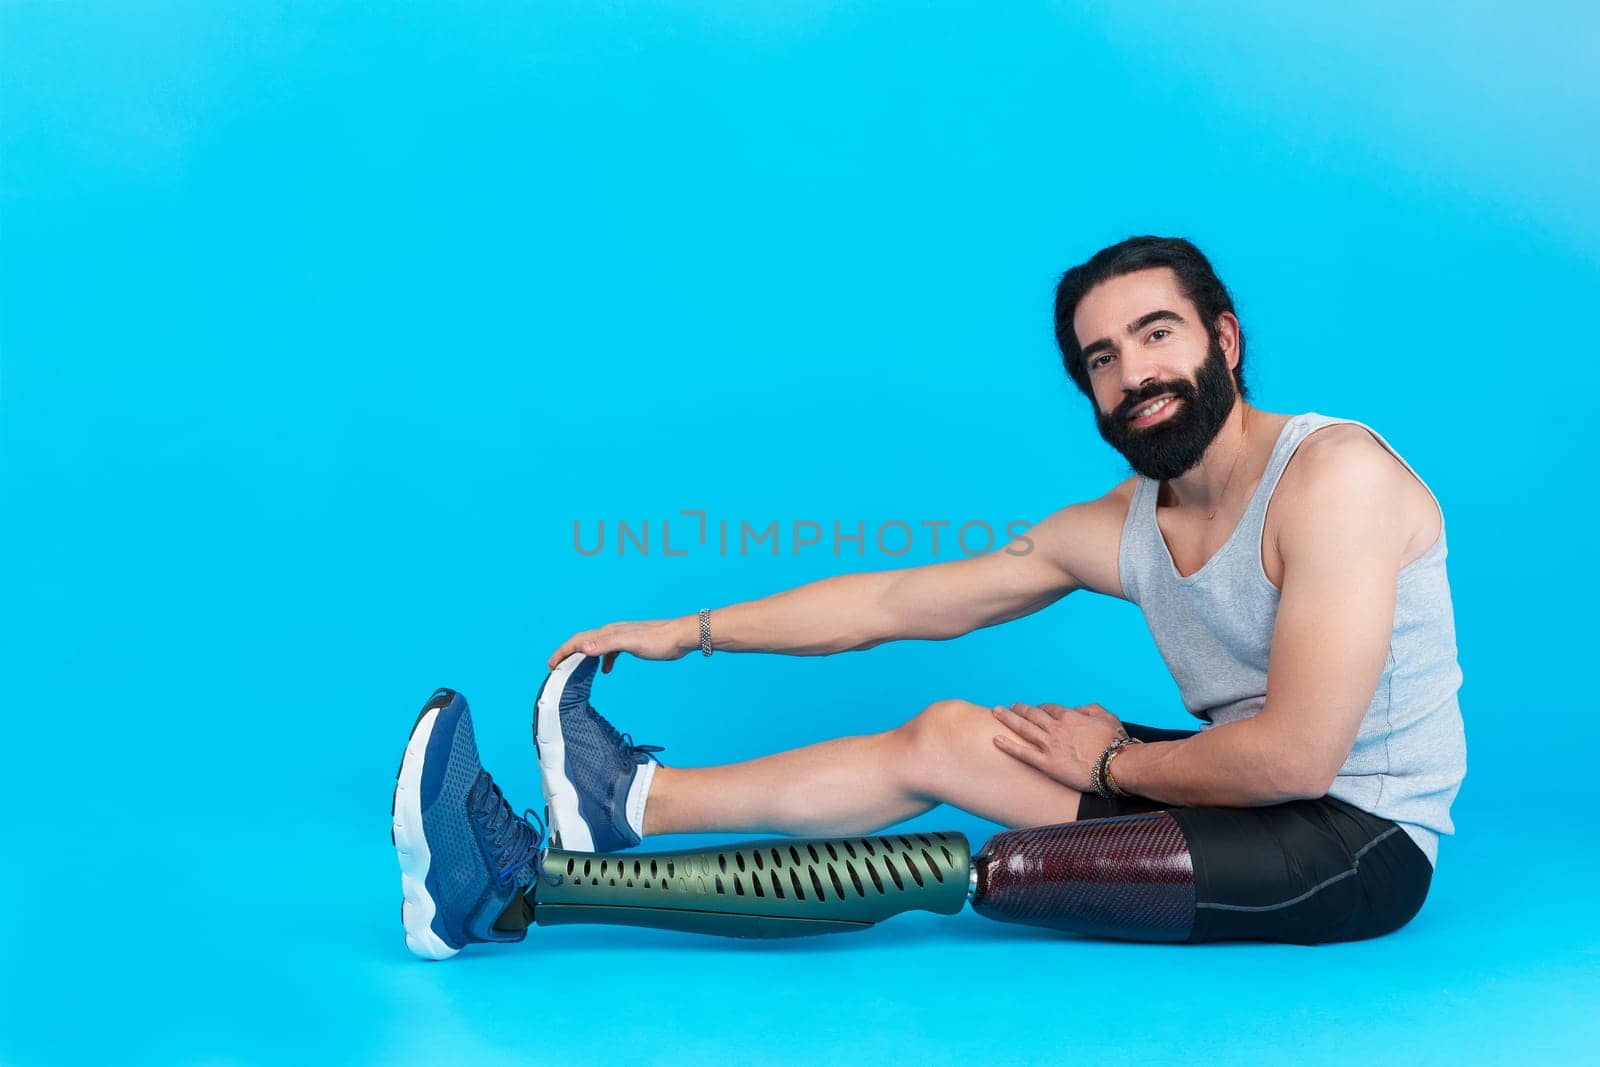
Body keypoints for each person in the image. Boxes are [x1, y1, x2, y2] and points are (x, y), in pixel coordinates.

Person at [392, 235, 1465, 959]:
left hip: (1355, 844)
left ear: (1221, 339)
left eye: (1156, 333)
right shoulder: (1121, 525)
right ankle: (623, 802)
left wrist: (1108, 763)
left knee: (987, 869)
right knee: (947, 734)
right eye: (1101, 357)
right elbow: (896, 600)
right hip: (1249, 799)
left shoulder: (1333, 480)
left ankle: (518, 887)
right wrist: (690, 631)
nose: (1133, 372)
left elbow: (1295, 759)